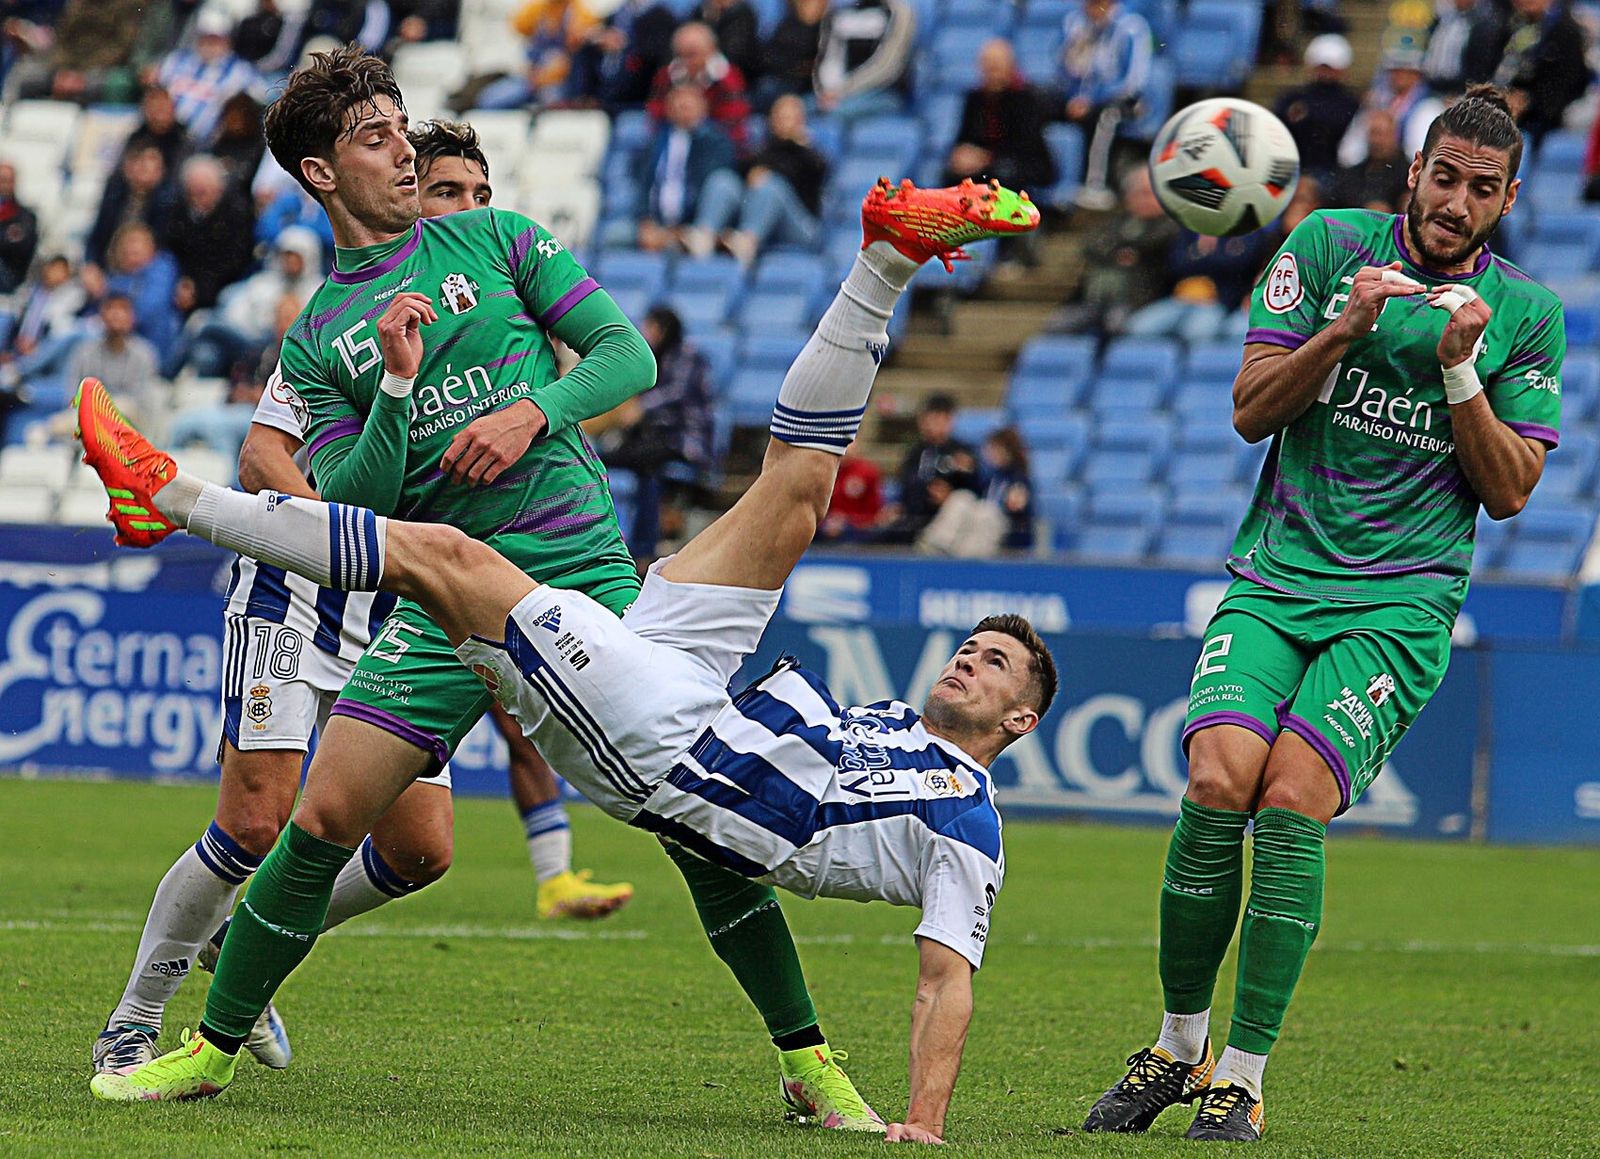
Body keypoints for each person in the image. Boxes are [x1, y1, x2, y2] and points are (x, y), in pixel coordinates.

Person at [79, 176, 1046, 1147]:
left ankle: (164, 498)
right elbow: (348, 480)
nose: (969, 657)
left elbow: (944, 977)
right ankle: (885, 256)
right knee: (797, 485)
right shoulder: (899, 728)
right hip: (683, 678)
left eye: (996, 663)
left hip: (651, 717)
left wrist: (923, 1122)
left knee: (445, 565)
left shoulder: (966, 824)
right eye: (975, 644)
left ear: (1021, 720)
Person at [1081, 87, 1562, 1143]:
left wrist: (1459, 369)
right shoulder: (1329, 245)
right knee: (1217, 780)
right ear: (1414, 173)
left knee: (1292, 797)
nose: (1457, 202)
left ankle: (1242, 1077)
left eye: (1482, 189)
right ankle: (1177, 1045)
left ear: (1508, 198)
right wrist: (1346, 327)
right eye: (1445, 178)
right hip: (1277, 575)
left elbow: (1510, 491)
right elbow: (1251, 410)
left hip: (1399, 602)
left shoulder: (1526, 315)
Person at [597, 303, 717, 556]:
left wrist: (641, 408)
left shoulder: (687, 356)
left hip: (685, 440)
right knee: (634, 464)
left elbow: (676, 392)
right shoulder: (656, 357)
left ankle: (644, 547)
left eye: (649, 327)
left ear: (663, 329)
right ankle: (638, 545)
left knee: (641, 460)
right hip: (659, 439)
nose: (644, 332)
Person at [682, 93, 827, 264]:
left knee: (771, 186)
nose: (781, 122)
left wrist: (773, 165)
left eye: (787, 117)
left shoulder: (811, 154)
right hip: (758, 216)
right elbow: (744, 171)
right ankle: (705, 236)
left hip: (801, 226)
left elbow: (802, 173)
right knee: (723, 180)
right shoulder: (763, 148)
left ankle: (746, 242)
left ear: (800, 120)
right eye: (778, 116)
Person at [1059, 0, 1151, 209]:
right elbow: (1063, 68)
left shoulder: (1132, 27)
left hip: (1123, 100)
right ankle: (1058, 185)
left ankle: (1096, 184)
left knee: (1106, 117)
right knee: (1042, 105)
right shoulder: (1074, 24)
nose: (1091, 9)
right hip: (1078, 98)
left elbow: (1132, 81)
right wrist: (1074, 96)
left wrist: (1091, 99)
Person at [631, 82, 738, 252]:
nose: (683, 108)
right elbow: (643, 184)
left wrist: (678, 232)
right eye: (678, 104)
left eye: (689, 105)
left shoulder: (716, 141)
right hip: (655, 224)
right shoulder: (655, 143)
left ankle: (698, 241)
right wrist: (645, 223)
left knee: (724, 183)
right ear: (668, 109)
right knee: (615, 236)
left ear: (703, 108)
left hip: (695, 225)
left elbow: (710, 187)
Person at [946, 39, 1057, 198]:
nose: (992, 73)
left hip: (1021, 164)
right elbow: (964, 138)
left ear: (1010, 67)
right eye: (988, 67)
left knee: (1002, 174)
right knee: (953, 174)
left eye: (996, 67)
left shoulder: (1025, 99)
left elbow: (1024, 147)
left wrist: (984, 158)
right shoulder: (974, 99)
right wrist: (961, 154)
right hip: (985, 165)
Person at [878, 393, 981, 545]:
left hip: (948, 519)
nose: (933, 425)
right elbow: (906, 482)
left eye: (939, 419)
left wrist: (949, 496)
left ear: (949, 421)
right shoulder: (916, 452)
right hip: (914, 515)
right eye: (930, 419)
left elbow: (975, 491)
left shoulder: (963, 452)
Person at [156, 9, 263, 147]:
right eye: (206, 37)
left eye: (216, 38)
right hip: (166, 138)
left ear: (228, 39)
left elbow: (259, 101)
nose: (210, 43)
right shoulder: (176, 60)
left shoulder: (242, 71)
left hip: (209, 145)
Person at [1338, 38, 1445, 170]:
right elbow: (1349, 152)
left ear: (1417, 73)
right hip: (1370, 170)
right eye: (1395, 70)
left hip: (1405, 172)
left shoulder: (1428, 107)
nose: (1399, 76)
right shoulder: (1376, 101)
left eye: (1405, 70)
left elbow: (1421, 153)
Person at [1491, 0, 1589, 144]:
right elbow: (1490, 68)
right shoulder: (1508, 24)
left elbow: (1566, 83)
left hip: (1543, 117)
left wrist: (1528, 101)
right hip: (1501, 101)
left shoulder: (1565, 31)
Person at [646, 21, 752, 153]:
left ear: (711, 51)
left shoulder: (727, 75)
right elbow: (654, 108)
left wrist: (698, 115)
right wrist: (676, 112)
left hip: (715, 130)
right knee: (632, 128)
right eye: (680, 54)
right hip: (673, 128)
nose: (686, 60)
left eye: (692, 54)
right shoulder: (667, 73)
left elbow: (735, 115)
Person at [1272, 35, 1361, 187]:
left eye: (1330, 68)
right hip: (1292, 170)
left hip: (1333, 175)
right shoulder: (1290, 99)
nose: (1325, 73)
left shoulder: (1351, 104)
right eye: (1321, 67)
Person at [65, 292, 160, 423]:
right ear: (101, 315)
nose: (116, 314)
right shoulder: (85, 353)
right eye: (110, 308)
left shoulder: (144, 355)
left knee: (125, 407)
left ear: (132, 317)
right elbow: (73, 394)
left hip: (128, 424)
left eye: (123, 308)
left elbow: (142, 402)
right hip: (89, 421)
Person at [812, 0, 914, 121]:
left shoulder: (900, 13)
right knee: (803, 108)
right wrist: (827, 89)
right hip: (836, 92)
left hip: (883, 92)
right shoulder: (841, 11)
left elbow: (887, 67)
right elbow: (830, 54)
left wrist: (842, 90)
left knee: (825, 113)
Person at [1330, 107, 1411, 213]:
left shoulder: (1409, 174)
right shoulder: (1352, 175)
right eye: (1373, 134)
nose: (1377, 141)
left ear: (1394, 135)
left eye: (1382, 134)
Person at [1422, 0, 1507, 96]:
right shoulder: (1443, 17)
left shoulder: (1482, 22)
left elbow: (1479, 69)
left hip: (1458, 89)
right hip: (1430, 85)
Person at [0, 161, 39, 293]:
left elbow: (22, 246)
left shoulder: (25, 217)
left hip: (8, 277)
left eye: (6, 180)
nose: (3, 184)